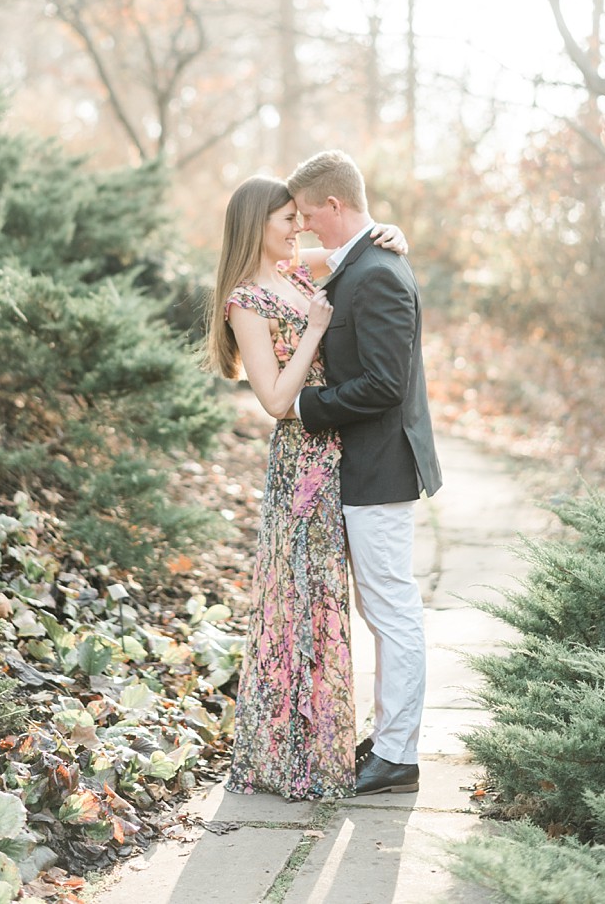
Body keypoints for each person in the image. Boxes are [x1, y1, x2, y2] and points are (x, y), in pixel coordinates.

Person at [206, 176, 408, 799]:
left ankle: (323, 745)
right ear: (255, 224)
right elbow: (272, 399)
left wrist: (395, 233)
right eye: (286, 218)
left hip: (337, 454)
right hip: (300, 466)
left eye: (299, 217)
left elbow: (356, 251)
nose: (298, 228)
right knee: (297, 602)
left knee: (325, 603)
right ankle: (291, 757)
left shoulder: (297, 271)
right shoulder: (246, 300)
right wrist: (316, 330)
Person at [287, 149, 442, 796]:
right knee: (380, 606)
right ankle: (387, 737)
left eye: (306, 216)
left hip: (379, 467)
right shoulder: (359, 261)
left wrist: (303, 406)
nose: (302, 230)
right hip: (363, 466)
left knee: (392, 609)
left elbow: (383, 384)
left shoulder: (376, 271)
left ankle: (398, 755)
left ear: (334, 205)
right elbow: (281, 268)